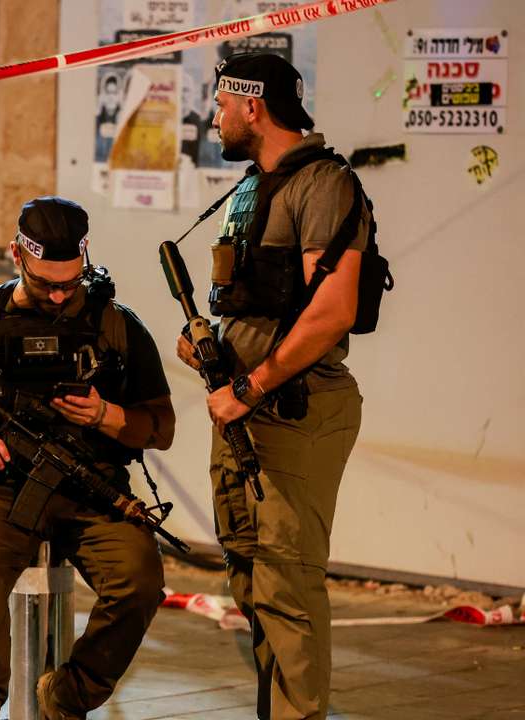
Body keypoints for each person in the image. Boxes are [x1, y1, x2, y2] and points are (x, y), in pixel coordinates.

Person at [0, 196, 175, 720]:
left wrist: (105, 416)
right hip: (0, 487)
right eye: (45, 281)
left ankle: (68, 694)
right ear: (16, 256)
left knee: (140, 580)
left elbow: (161, 427)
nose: (57, 294)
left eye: (70, 283)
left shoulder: (117, 326)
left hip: (91, 486)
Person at [175, 52, 367, 720]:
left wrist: (249, 386)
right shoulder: (251, 189)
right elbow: (253, 305)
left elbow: (332, 312)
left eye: (221, 104)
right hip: (242, 411)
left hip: (297, 408)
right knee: (250, 577)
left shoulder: (324, 184)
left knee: (287, 583)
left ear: (252, 104)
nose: (216, 117)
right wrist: (209, 347)